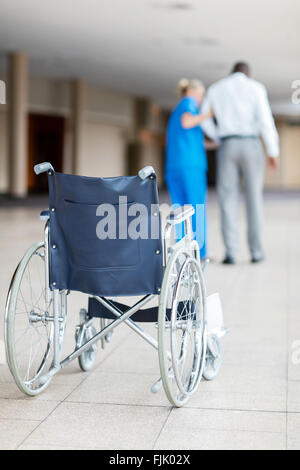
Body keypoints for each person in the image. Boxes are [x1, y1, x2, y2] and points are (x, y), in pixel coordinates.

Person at [201, 62, 279, 264]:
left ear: (231, 72)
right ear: (247, 73)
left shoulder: (217, 88)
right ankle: (256, 252)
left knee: (227, 198)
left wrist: (218, 136)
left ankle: (231, 253)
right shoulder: (256, 87)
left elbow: (204, 119)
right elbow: (265, 121)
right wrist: (273, 151)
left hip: (227, 144)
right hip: (251, 143)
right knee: (254, 198)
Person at [165, 78, 213, 259]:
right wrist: (209, 114)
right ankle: (199, 252)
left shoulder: (177, 109)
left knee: (179, 209)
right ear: (192, 92)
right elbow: (188, 122)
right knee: (196, 207)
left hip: (174, 166)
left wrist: (215, 144)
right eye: (201, 95)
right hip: (191, 167)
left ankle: (181, 250)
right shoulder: (189, 104)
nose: (201, 99)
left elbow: (193, 137)